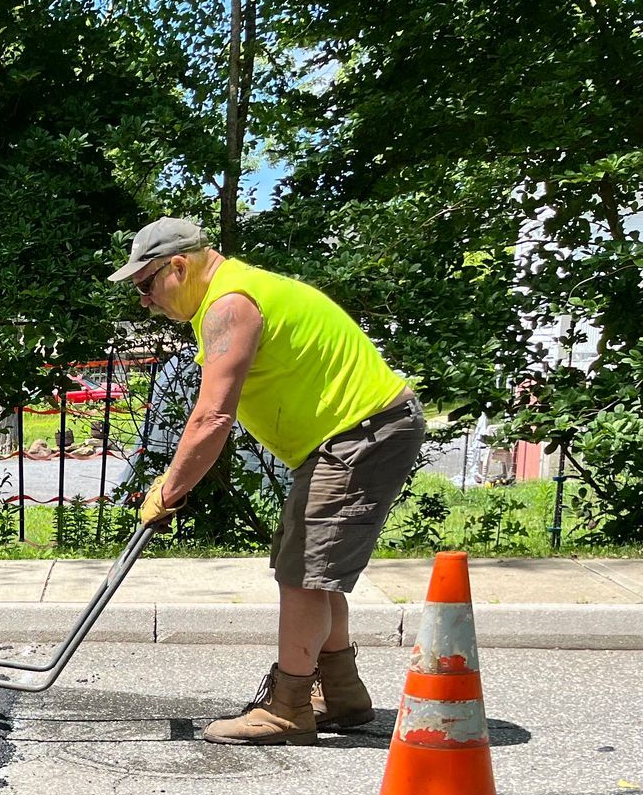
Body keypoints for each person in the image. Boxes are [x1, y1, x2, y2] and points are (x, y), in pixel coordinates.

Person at [114, 218, 424, 745]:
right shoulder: (230, 296)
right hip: (353, 435)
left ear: (178, 266)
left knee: (302, 574)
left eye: (146, 284)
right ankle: (341, 694)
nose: (145, 301)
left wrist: (168, 490)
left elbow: (212, 417)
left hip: (362, 433)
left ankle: (288, 709)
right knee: (309, 566)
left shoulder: (230, 303)